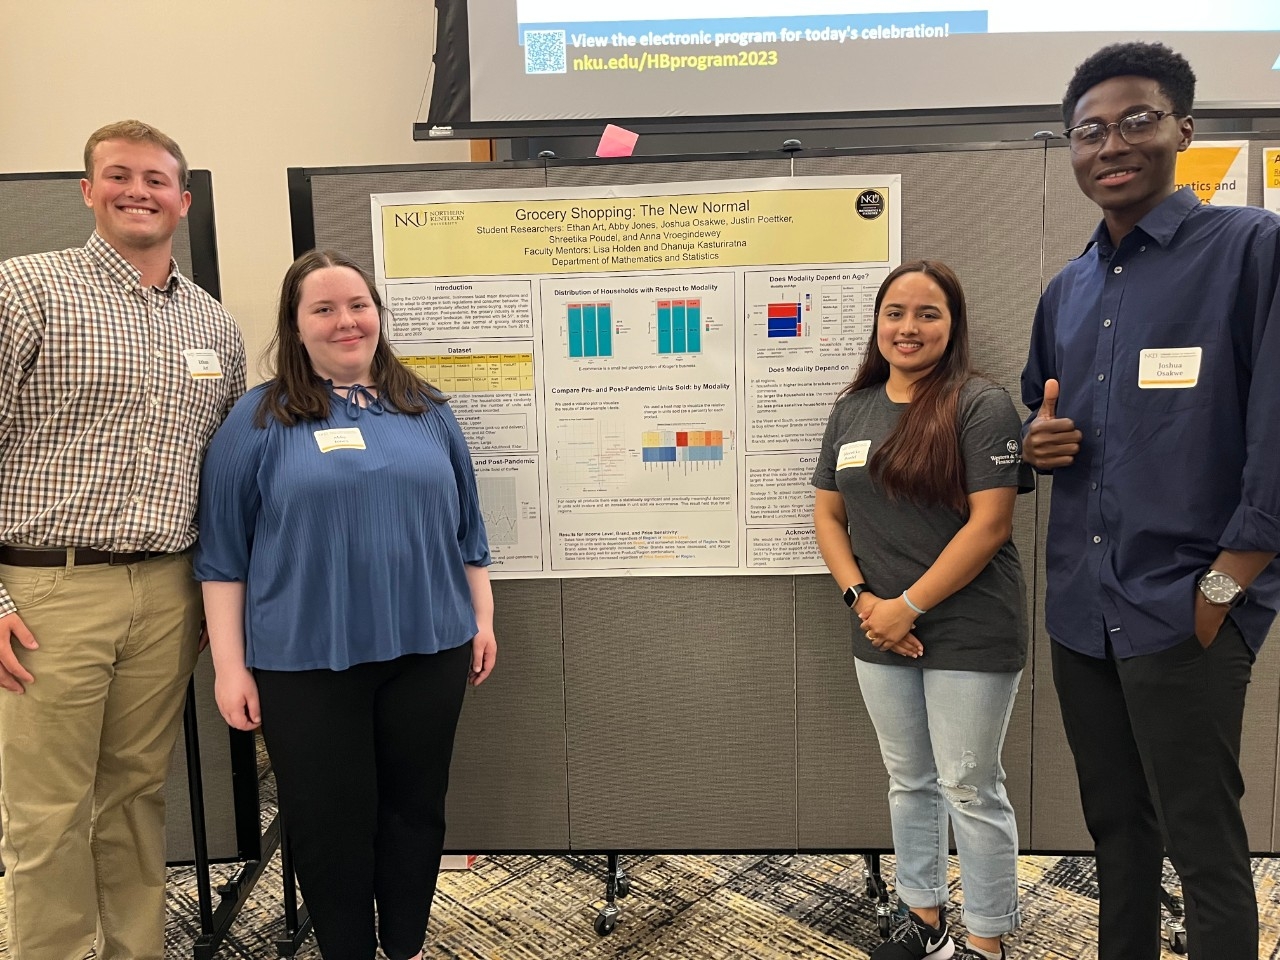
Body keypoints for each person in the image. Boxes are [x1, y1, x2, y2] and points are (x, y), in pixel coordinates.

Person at [1021, 41, 1280, 960]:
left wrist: (1224, 589)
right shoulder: (1068, 289)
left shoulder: (1253, 252)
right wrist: (1037, 446)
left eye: (1136, 121)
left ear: (1184, 130)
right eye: (1088, 131)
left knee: (1205, 846)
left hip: (1188, 602)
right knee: (1118, 837)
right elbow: (1042, 418)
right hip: (1082, 609)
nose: (1111, 145)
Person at [196, 249, 497, 960]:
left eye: (356, 305)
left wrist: (481, 621)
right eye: (323, 309)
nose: (345, 321)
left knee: (415, 812)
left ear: (377, 315)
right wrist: (230, 670)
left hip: (430, 648)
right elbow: (221, 560)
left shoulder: (426, 409)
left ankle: (406, 945)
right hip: (304, 661)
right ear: (295, 325)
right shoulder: (257, 419)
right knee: (330, 822)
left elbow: (469, 535)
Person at [0, 120, 246, 960]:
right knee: (47, 810)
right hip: (47, 593)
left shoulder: (216, 328)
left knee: (137, 793)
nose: (136, 191)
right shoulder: (26, 291)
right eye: (118, 176)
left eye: (155, 179)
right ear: (86, 190)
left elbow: (225, 470)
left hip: (169, 588)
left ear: (183, 200)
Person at [813, 260, 1029, 960]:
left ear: (952, 325)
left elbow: (990, 524)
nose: (908, 327)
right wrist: (864, 602)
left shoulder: (979, 403)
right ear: (877, 323)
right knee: (909, 780)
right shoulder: (852, 407)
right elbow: (826, 514)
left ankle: (987, 941)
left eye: (927, 313)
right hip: (876, 625)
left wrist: (907, 605)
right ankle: (924, 920)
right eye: (895, 313)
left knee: (969, 785)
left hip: (969, 624)